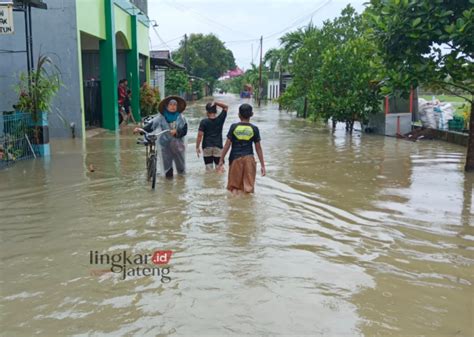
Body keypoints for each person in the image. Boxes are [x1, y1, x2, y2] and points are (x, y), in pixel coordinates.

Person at [134, 96, 187, 179]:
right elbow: (151, 126)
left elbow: (184, 130)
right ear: (166, 106)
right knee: (168, 170)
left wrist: (177, 131)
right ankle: (169, 188)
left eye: (175, 105)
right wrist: (140, 130)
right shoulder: (160, 117)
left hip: (178, 145)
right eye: (171, 104)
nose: (173, 106)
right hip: (165, 145)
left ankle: (181, 186)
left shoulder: (181, 118)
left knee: (181, 170)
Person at [218, 103, 266, 194]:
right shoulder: (254, 129)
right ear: (251, 115)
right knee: (248, 189)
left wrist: (221, 159)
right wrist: (263, 165)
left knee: (234, 188)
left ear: (239, 115)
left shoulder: (234, 127)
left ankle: (235, 207)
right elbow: (258, 148)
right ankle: (247, 207)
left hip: (235, 158)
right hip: (249, 159)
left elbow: (227, 145)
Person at [196, 101, 228, 171]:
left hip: (207, 147)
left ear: (207, 111)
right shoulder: (220, 119)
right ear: (216, 110)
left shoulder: (203, 122)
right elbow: (225, 107)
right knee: (219, 169)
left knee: (208, 169)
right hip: (218, 146)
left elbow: (199, 135)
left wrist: (197, 147)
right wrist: (216, 103)